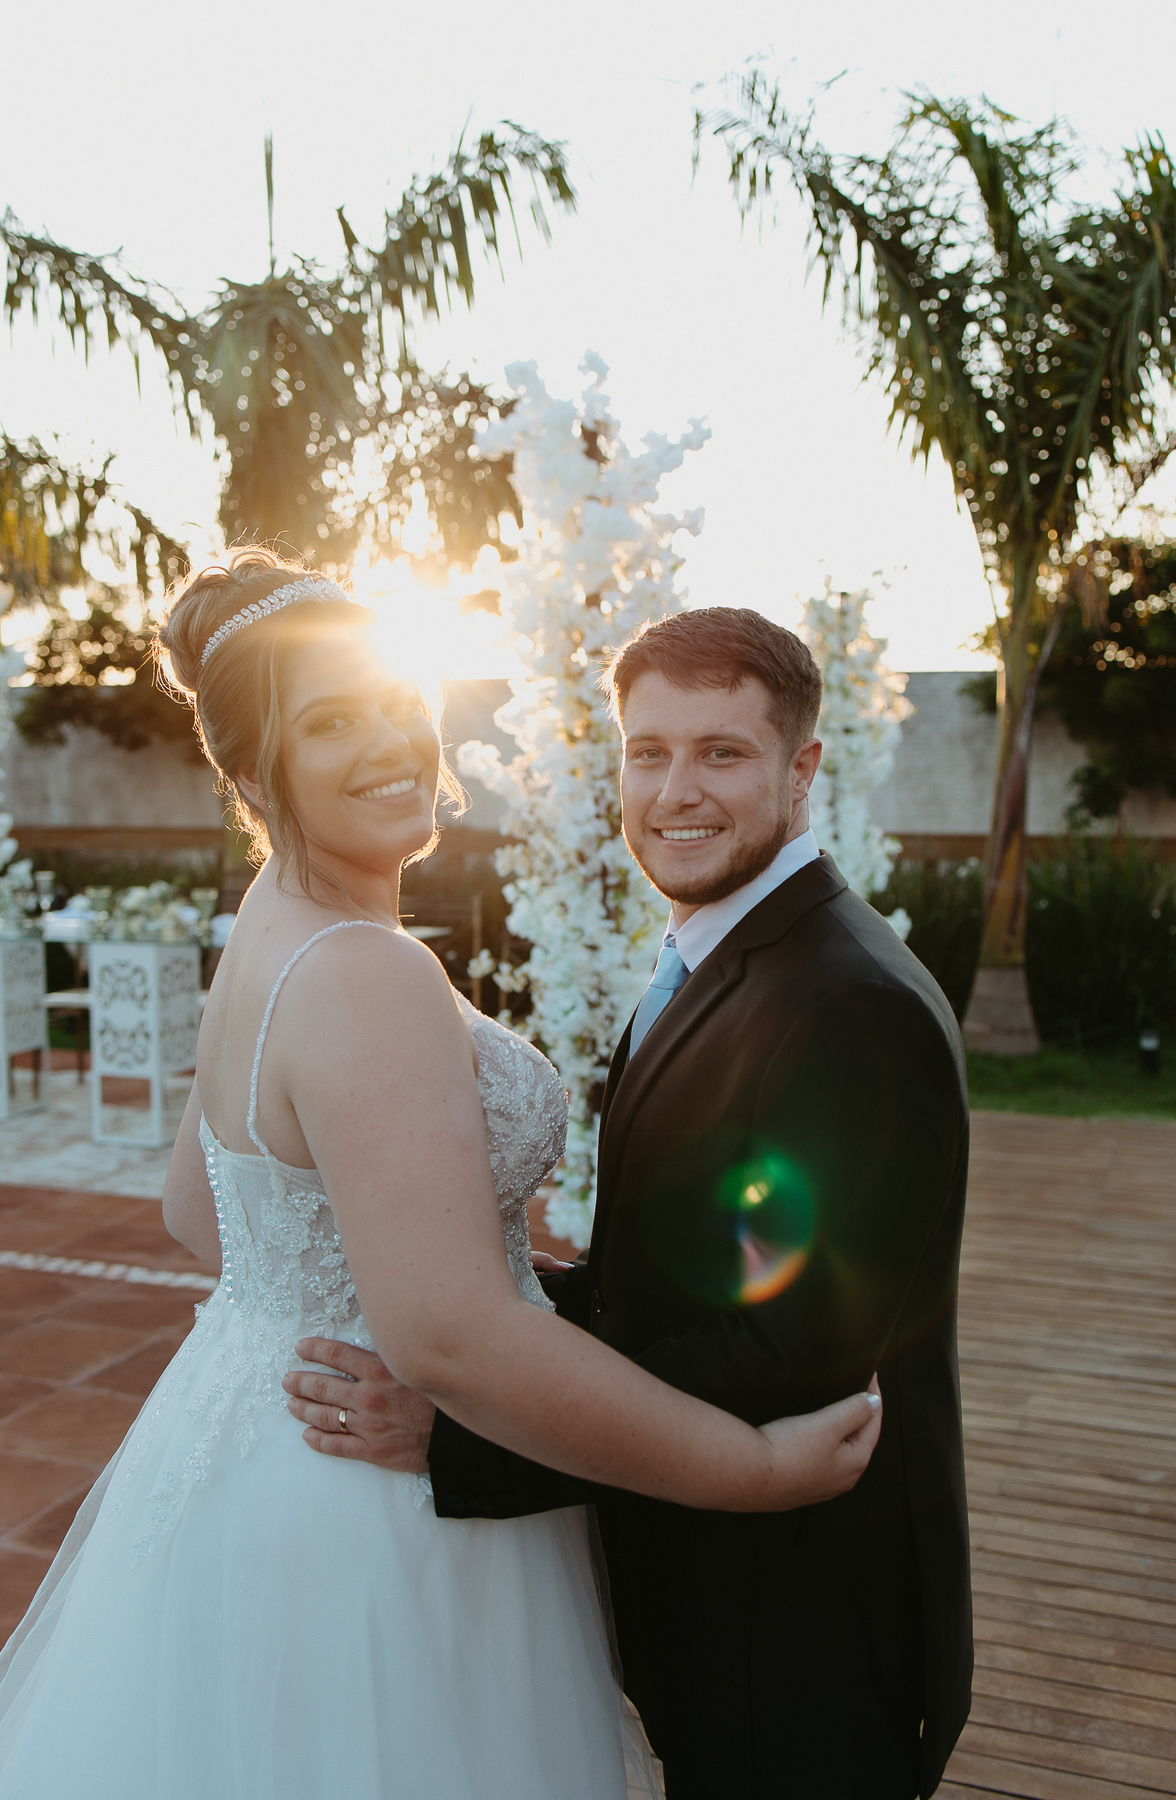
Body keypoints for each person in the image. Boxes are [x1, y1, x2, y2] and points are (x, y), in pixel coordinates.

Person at [0, 557, 881, 1800]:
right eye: (327, 723)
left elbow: (199, 1212)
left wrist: (415, 1249)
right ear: (251, 775)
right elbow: (450, 1335)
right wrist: (754, 1470)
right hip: (375, 1511)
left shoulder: (266, 927)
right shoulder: (368, 971)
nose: (385, 742)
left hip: (245, 1444)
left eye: (392, 698)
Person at [290, 607, 973, 1799]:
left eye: (722, 753)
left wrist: (468, 1429)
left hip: (801, 1634)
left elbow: (784, 1353)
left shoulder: (847, 1005)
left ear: (803, 769)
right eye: (647, 752)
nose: (674, 792)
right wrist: (477, 1305)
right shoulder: (717, 951)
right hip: (711, 1597)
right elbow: (673, 1277)